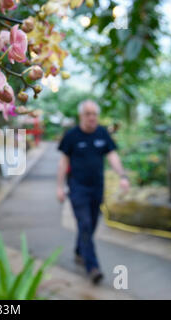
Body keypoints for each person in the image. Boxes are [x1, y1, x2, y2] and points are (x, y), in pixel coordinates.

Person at [56, 100, 130, 285]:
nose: (91, 117)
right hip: (77, 187)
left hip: (97, 187)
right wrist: (59, 187)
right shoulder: (72, 135)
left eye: (94, 114)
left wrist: (122, 175)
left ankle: (80, 250)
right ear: (81, 116)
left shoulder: (102, 133)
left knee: (92, 224)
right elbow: (63, 162)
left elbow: (112, 155)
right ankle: (93, 267)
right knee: (86, 223)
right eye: (88, 114)